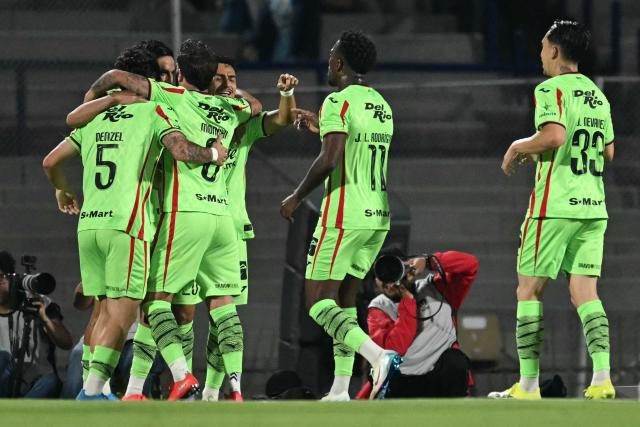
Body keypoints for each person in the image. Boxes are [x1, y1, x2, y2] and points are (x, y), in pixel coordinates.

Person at [43, 46, 221, 401]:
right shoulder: (154, 112)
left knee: (102, 313)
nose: (171, 81)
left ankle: (98, 389)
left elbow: (51, 162)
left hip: (89, 226)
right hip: (129, 225)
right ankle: (92, 393)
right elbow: (182, 151)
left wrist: (63, 191)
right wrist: (215, 153)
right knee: (123, 316)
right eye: (165, 75)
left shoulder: (95, 117)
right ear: (149, 81)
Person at [83, 39, 256, 401]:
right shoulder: (232, 106)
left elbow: (115, 76)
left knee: (155, 302)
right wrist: (227, 88)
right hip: (222, 219)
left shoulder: (171, 98)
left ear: (180, 73)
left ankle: (179, 376)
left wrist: (97, 96)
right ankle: (231, 389)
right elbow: (255, 106)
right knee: (220, 306)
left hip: (182, 214)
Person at [123, 56, 299, 402]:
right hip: (204, 222)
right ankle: (174, 386)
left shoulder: (240, 123)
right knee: (186, 311)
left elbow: (277, 119)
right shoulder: (210, 112)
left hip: (227, 227)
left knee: (215, 312)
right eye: (221, 78)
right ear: (209, 81)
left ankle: (214, 392)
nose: (228, 83)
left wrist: (281, 95)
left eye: (233, 77)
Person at [491, 20, 615, 400]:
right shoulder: (598, 96)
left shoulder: (550, 88)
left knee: (528, 291)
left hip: (554, 208)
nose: (541, 55)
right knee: (585, 294)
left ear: (556, 51)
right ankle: (602, 380)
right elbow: (608, 152)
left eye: (544, 48)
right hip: (593, 208)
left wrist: (517, 146)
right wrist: (542, 149)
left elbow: (556, 135)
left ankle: (528, 386)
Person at [280, 30, 399, 401]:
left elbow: (330, 160)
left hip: (344, 214)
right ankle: (339, 389)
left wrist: (297, 196)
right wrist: (320, 128)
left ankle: (378, 357)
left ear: (339, 63)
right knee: (345, 303)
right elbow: (354, 149)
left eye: (332, 55)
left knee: (317, 303)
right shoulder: (381, 105)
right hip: (377, 214)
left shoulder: (338, 101)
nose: (329, 61)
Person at [355, 250, 478, 399]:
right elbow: (393, 349)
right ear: (375, 283)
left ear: (406, 267)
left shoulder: (437, 287)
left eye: (393, 269)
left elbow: (470, 265)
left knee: (455, 360)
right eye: (381, 275)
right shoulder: (379, 307)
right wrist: (407, 301)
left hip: (439, 376)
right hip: (402, 381)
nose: (388, 280)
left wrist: (428, 261)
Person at [0, 251, 73, 398]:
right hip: (4, 378)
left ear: (13, 279)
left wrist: (44, 317)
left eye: (0, 279)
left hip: (36, 381)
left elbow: (66, 342)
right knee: (2, 357)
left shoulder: (39, 302)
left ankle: (17, 413)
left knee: (51, 381)